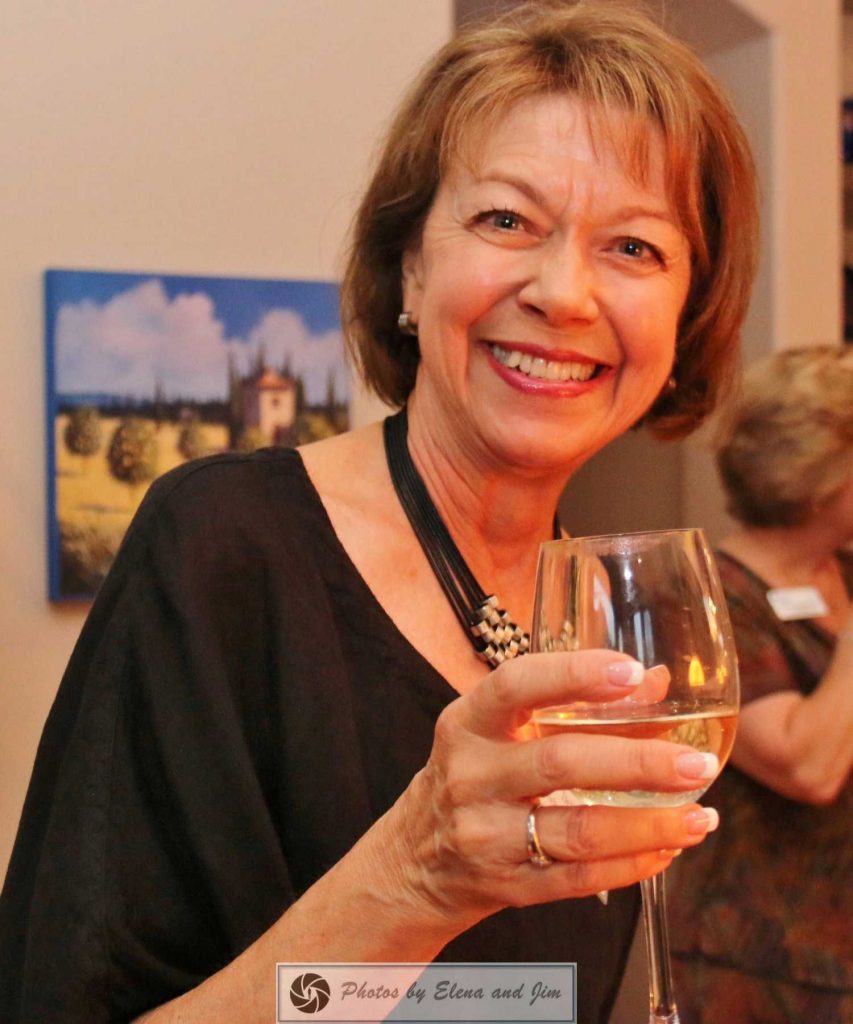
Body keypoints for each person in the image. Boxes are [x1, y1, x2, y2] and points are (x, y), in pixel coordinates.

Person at [0, 3, 759, 1021]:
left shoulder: (600, 612)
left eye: (633, 247)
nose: (565, 291)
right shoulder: (222, 551)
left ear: (683, 314)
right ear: (409, 265)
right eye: (506, 220)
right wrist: (415, 878)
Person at [669, 346, 853, 1023]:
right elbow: (805, 765)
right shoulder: (706, 597)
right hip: (760, 963)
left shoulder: (843, 572)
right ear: (815, 474)